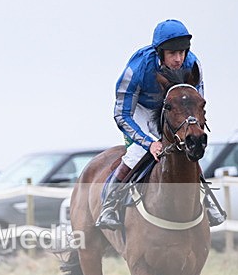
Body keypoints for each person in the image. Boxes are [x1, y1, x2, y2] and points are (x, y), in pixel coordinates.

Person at [96, 19, 226, 230]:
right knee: (137, 153)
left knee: (188, 147)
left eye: (182, 52)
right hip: (141, 109)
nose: (178, 59)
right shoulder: (137, 69)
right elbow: (121, 114)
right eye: (172, 54)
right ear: (160, 52)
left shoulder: (193, 64)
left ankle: (208, 201)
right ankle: (109, 205)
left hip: (175, 109)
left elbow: (197, 103)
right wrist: (149, 143)